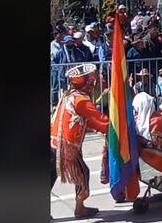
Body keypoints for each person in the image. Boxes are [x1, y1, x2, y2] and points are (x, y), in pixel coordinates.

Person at [50, 64, 109, 218]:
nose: (93, 85)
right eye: (91, 82)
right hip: (65, 146)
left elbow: (88, 121)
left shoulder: (68, 95)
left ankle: (80, 207)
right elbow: (98, 119)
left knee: (52, 176)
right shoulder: (80, 99)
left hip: (56, 142)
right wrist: (114, 127)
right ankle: (79, 208)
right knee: (83, 173)